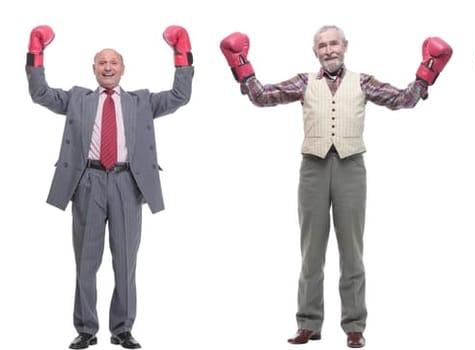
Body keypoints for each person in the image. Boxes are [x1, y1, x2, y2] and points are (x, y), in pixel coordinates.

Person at [216, 25, 452, 349]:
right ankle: (308, 324)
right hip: (312, 168)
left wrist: (428, 70)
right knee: (310, 252)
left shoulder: (363, 81)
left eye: (334, 44)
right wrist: (241, 63)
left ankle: (354, 326)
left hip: (351, 168)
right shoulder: (304, 82)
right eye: (322, 46)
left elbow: (403, 99)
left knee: (352, 253)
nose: (329, 50)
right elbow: (261, 96)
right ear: (315, 52)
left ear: (345, 46)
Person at [25, 24, 195, 350]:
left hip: (126, 183)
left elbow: (179, 96)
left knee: (126, 261)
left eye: (113, 62)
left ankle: (122, 330)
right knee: (86, 262)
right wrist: (36, 54)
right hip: (87, 182)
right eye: (102, 62)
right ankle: (86, 330)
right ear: (94, 69)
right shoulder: (77, 99)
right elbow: (40, 94)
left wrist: (181, 54)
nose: (107, 67)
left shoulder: (141, 101)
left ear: (122, 68)